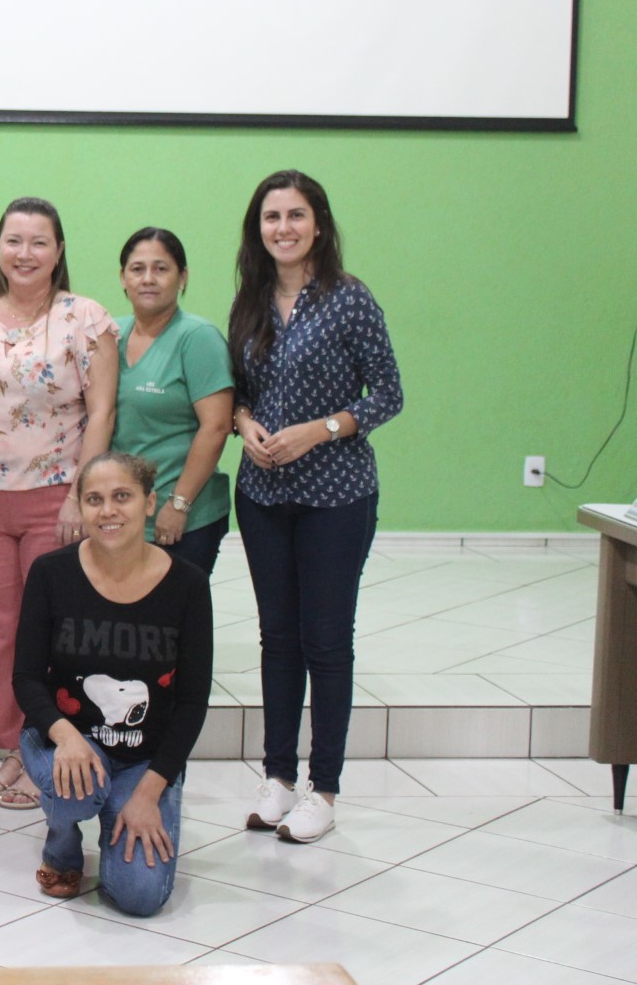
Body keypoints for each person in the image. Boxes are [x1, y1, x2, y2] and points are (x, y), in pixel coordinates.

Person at [228, 170, 402, 844]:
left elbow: (387, 394)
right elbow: (238, 392)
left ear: (318, 225)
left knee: (326, 643)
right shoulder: (250, 300)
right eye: (271, 217)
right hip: (264, 494)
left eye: (295, 216)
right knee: (278, 639)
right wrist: (245, 425)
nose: (283, 228)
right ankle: (276, 779)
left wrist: (320, 429)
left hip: (337, 495)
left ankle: (322, 788)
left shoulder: (350, 300)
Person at [0, 196, 118, 808]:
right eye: (14, 240)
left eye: (39, 241)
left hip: (55, 499)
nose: (25, 253)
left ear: (59, 250)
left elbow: (102, 412)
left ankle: (41, 749)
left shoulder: (85, 319)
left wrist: (80, 494)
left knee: (51, 631)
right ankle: (9, 746)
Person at [12, 452, 212, 916]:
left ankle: (114, 811)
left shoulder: (187, 585)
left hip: (144, 759)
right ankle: (62, 844)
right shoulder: (50, 573)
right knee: (76, 788)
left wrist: (148, 794)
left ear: (149, 503)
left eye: (122, 496)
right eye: (94, 499)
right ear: (79, 507)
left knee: (139, 897)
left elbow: (193, 702)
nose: (108, 511)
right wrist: (64, 736)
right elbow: (25, 677)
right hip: (65, 742)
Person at [111, 228, 235, 573]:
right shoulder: (109, 335)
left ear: (182, 277)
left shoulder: (197, 338)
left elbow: (217, 426)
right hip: (124, 512)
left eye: (161, 268)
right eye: (137, 269)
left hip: (183, 513)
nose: (148, 279)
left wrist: (178, 505)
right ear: (123, 278)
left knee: (174, 619)